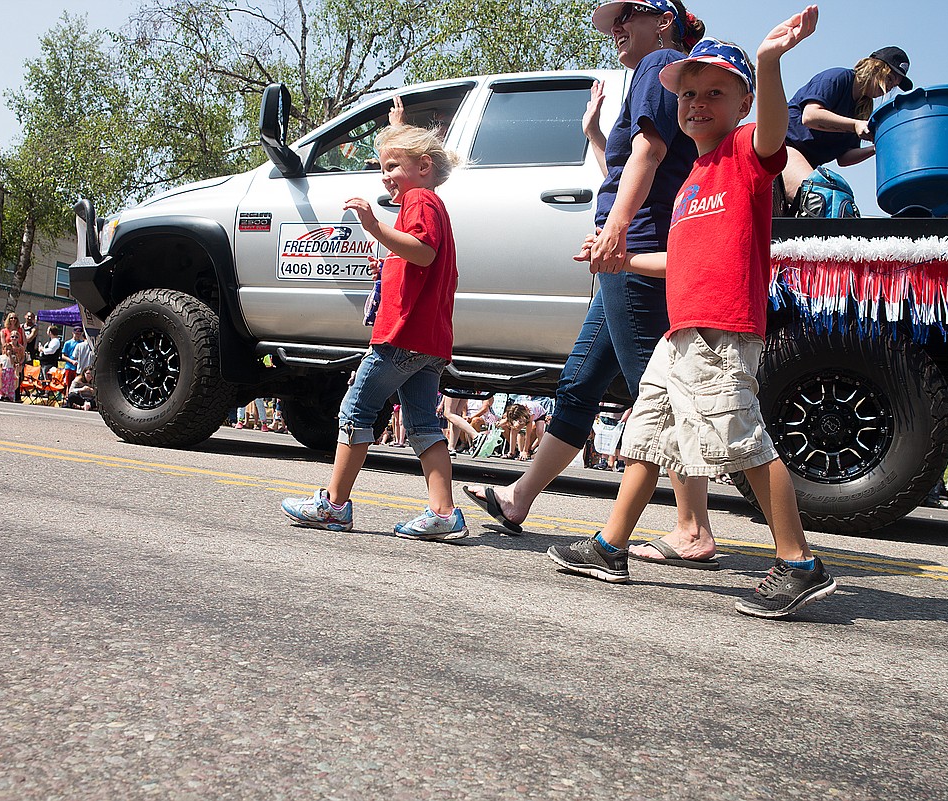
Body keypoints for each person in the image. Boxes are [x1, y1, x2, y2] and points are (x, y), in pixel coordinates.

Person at [553, 8, 838, 619]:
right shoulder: (690, 181)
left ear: (742, 103)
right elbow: (677, 261)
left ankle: (799, 563)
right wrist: (624, 262)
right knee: (648, 433)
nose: (697, 104)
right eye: (687, 94)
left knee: (742, 443)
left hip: (721, 328)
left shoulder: (743, 153)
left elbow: (772, 134)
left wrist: (767, 63)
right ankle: (610, 545)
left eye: (715, 93)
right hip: (683, 329)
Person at [464, 0, 716, 563]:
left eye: (630, 16)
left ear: (664, 21)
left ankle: (693, 528)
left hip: (637, 254)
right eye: (615, 21)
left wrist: (616, 232)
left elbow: (649, 154)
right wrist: (596, 138)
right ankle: (517, 498)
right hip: (625, 253)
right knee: (580, 382)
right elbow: (631, 166)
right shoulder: (653, 75)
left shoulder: (660, 65)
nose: (618, 30)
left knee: (657, 391)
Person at [281, 124, 469, 541]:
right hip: (429, 341)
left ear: (422, 166)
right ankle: (443, 512)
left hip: (401, 337)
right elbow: (420, 261)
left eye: (392, 166)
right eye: (382, 166)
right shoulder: (429, 202)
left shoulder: (419, 199)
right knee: (423, 424)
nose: (385, 174)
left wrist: (374, 225)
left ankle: (333, 505)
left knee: (356, 410)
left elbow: (423, 252)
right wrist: (386, 266)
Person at [780, 45, 912, 211]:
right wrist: (855, 125)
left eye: (894, 85)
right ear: (875, 67)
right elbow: (810, 116)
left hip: (809, 164)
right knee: (820, 199)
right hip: (784, 146)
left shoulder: (863, 108)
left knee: (839, 204)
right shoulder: (838, 78)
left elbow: (844, 158)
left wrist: (877, 147)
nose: (889, 86)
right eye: (890, 78)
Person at [60, 327, 92, 395]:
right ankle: (68, 398)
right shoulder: (68, 343)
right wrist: (71, 361)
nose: (78, 335)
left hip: (79, 368)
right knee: (69, 384)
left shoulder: (80, 343)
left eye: (79, 334)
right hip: (69, 366)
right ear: (73, 333)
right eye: (76, 333)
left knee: (80, 385)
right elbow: (63, 356)